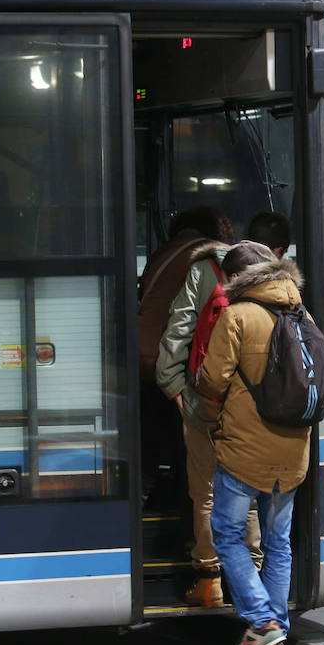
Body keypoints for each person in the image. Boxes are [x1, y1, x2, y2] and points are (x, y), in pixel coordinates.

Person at [195, 241, 313, 645]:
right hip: (294, 448)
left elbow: (212, 380)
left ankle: (262, 622)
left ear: (235, 279)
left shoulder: (237, 316)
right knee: (278, 542)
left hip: (245, 448)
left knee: (227, 533)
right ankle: (276, 632)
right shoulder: (300, 311)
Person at [156, 212, 263, 608]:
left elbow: (179, 329)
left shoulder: (203, 271)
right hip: (251, 406)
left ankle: (209, 581)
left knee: (205, 492)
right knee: (246, 493)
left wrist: (172, 386)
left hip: (204, 398)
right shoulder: (266, 268)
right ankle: (250, 577)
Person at [138, 206, 232, 502]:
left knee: (153, 446)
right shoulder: (209, 258)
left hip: (144, 360)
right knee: (192, 455)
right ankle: (194, 535)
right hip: (169, 366)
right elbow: (186, 324)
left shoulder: (164, 253)